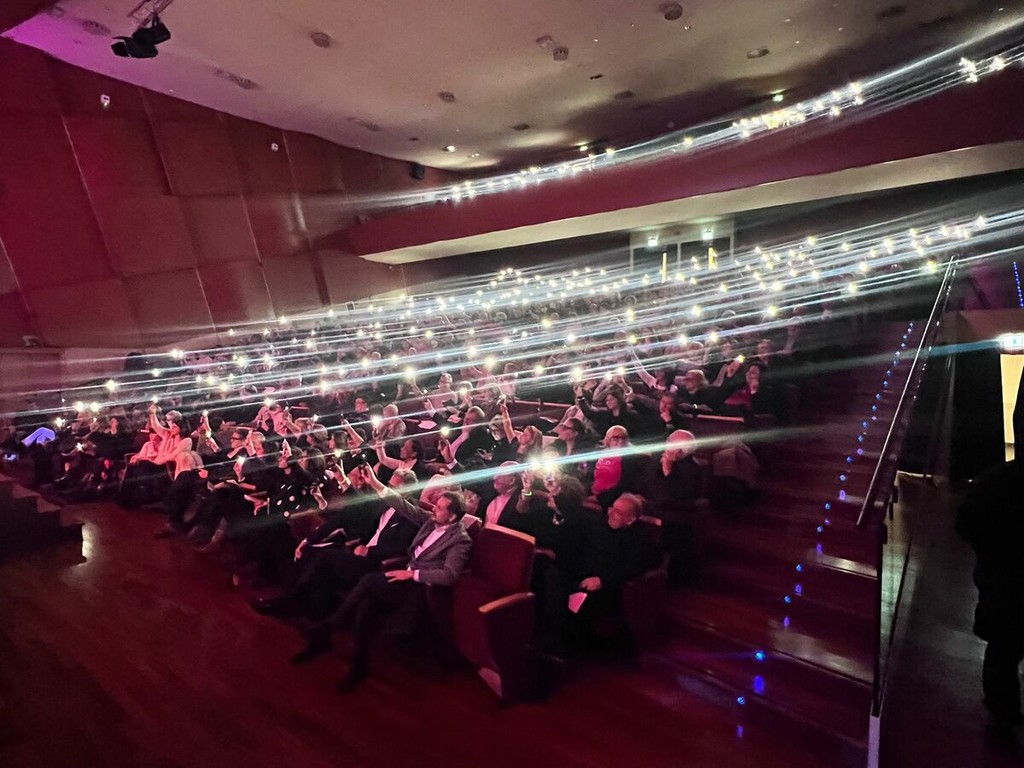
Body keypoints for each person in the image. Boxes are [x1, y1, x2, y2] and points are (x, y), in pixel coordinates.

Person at [291, 465, 473, 692]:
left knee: (369, 581)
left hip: (419, 589)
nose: (433, 508)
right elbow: (402, 505)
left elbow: (449, 575)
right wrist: (376, 483)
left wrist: (412, 574)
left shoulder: (460, 540)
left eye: (439, 507)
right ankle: (358, 665)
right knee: (365, 605)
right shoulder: (430, 520)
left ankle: (328, 626)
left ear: (452, 516)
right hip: (402, 577)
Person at [956, 458, 1024, 729]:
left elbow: (966, 521)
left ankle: (1003, 713)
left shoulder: (998, 478)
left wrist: (991, 557)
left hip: (1002, 579)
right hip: (1005, 579)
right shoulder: (1001, 480)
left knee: (1002, 651)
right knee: (1004, 649)